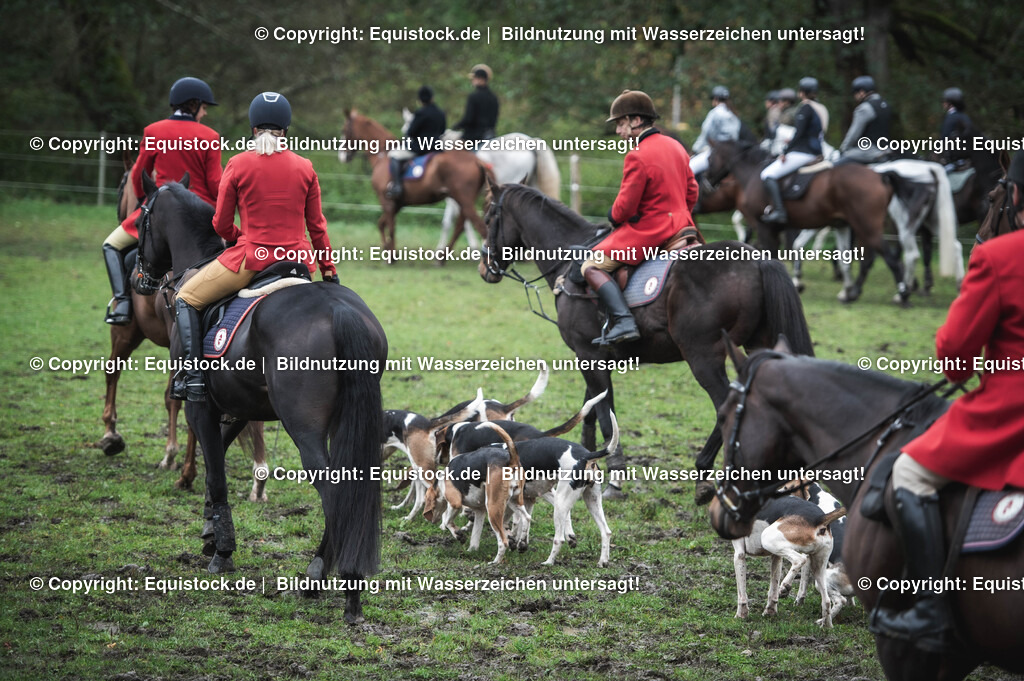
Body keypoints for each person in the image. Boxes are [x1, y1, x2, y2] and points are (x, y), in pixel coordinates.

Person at [870, 150, 1024, 652]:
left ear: (1015, 195)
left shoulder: (1000, 258)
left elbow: (956, 354)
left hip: (1010, 412)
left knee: (908, 472)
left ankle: (932, 609)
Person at [171, 92, 339, 401]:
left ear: (252, 129)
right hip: (297, 264)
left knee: (185, 298)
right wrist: (329, 270)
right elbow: (317, 226)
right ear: (285, 130)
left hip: (250, 261)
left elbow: (220, 224)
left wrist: (238, 235)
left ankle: (192, 378)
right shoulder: (305, 167)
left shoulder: (238, 163)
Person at [579, 90, 699, 346]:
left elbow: (624, 208)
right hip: (684, 227)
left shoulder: (638, 154)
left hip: (652, 230)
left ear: (636, 120)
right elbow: (692, 191)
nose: (618, 131)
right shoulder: (676, 146)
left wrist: (613, 215)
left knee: (589, 266)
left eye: (621, 124)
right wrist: (680, 212)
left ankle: (624, 321)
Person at [102, 76, 221, 324]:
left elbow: (138, 175)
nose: (205, 113)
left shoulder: (154, 131)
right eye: (204, 107)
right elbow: (215, 184)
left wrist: (146, 204)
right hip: (201, 217)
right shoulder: (210, 136)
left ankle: (123, 303)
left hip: (161, 211)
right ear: (194, 104)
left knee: (111, 245)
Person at [760, 82, 823, 224]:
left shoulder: (805, 108)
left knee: (767, 174)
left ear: (801, 93)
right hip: (816, 150)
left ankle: (780, 212)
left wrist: (785, 152)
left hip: (804, 152)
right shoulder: (818, 108)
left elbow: (798, 134)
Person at [385, 85, 447, 200]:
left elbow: (411, 132)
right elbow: (443, 130)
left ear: (420, 100)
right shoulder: (440, 113)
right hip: (437, 147)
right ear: (432, 98)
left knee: (394, 154)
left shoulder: (420, 113)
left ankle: (397, 186)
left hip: (420, 147)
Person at [689, 85, 741, 176]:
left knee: (690, 167)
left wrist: (695, 149)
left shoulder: (714, 113)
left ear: (716, 99)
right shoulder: (733, 115)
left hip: (716, 152)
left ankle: (694, 190)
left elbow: (706, 133)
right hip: (732, 153)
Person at [838, 75, 892, 164]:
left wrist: (843, 150)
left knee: (835, 167)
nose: (855, 97)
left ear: (862, 92)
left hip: (869, 152)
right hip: (886, 149)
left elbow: (854, 134)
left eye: (855, 93)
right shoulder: (885, 105)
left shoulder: (864, 108)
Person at [453, 64, 499, 143]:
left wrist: (456, 126)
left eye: (474, 78)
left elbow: (468, 119)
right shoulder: (494, 97)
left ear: (481, 79)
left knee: (453, 151)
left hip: (474, 136)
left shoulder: (473, 96)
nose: (472, 81)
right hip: (490, 135)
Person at [939, 87, 973, 171]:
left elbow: (944, 139)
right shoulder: (965, 117)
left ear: (950, 104)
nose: (943, 104)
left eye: (945, 101)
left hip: (955, 160)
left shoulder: (951, 118)